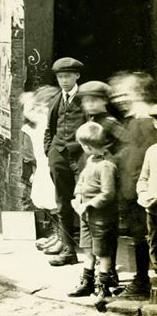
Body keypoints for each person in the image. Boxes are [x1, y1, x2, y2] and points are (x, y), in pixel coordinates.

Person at [109, 71, 157, 300]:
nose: (118, 99)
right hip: (135, 194)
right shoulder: (133, 121)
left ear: (139, 92)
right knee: (140, 238)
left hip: (147, 196)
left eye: (124, 93)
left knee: (147, 240)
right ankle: (141, 280)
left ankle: (141, 283)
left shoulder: (150, 122)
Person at [67, 121, 119, 303]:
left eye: (82, 145)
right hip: (86, 214)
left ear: (88, 146)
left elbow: (108, 193)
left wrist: (88, 205)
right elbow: (81, 180)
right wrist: (78, 196)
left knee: (103, 251)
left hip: (101, 217)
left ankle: (103, 288)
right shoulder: (90, 161)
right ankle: (87, 281)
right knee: (88, 247)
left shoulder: (106, 166)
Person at [44, 56, 85, 266]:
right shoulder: (56, 100)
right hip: (59, 157)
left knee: (85, 203)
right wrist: (49, 151)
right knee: (62, 203)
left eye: (68, 76)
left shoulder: (86, 99)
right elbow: (49, 128)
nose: (64, 80)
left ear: (77, 76)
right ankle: (69, 250)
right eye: (60, 77)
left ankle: (93, 256)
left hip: (81, 158)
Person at [20, 86, 60, 249]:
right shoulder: (31, 127)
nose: (35, 111)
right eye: (31, 108)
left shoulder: (50, 124)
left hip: (53, 168)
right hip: (43, 168)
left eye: (38, 107)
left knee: (57, 202)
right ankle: (57, 234)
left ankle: (63, 238)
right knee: (49, 202)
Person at [136, 141, 157, 287]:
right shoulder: (152, 151)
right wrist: (143, 194)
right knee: (154, 246)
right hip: (153, 211)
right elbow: (143, 178)